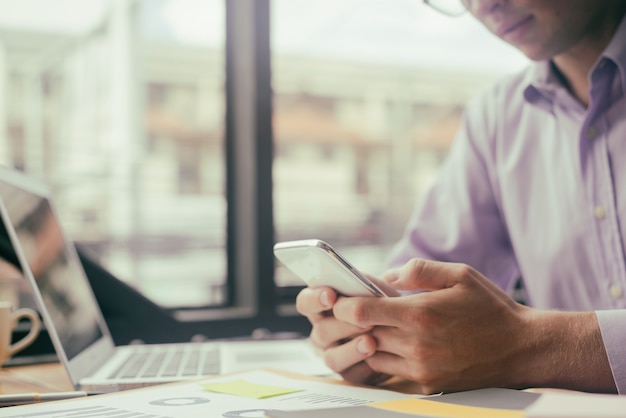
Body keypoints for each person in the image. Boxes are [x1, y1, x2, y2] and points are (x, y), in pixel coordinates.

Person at [296, 0, 626, 395]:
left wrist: (527, 347)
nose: (483, 5)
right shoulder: (498, 115)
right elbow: (425, 283)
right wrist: (373, 324)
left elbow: (513, 344)